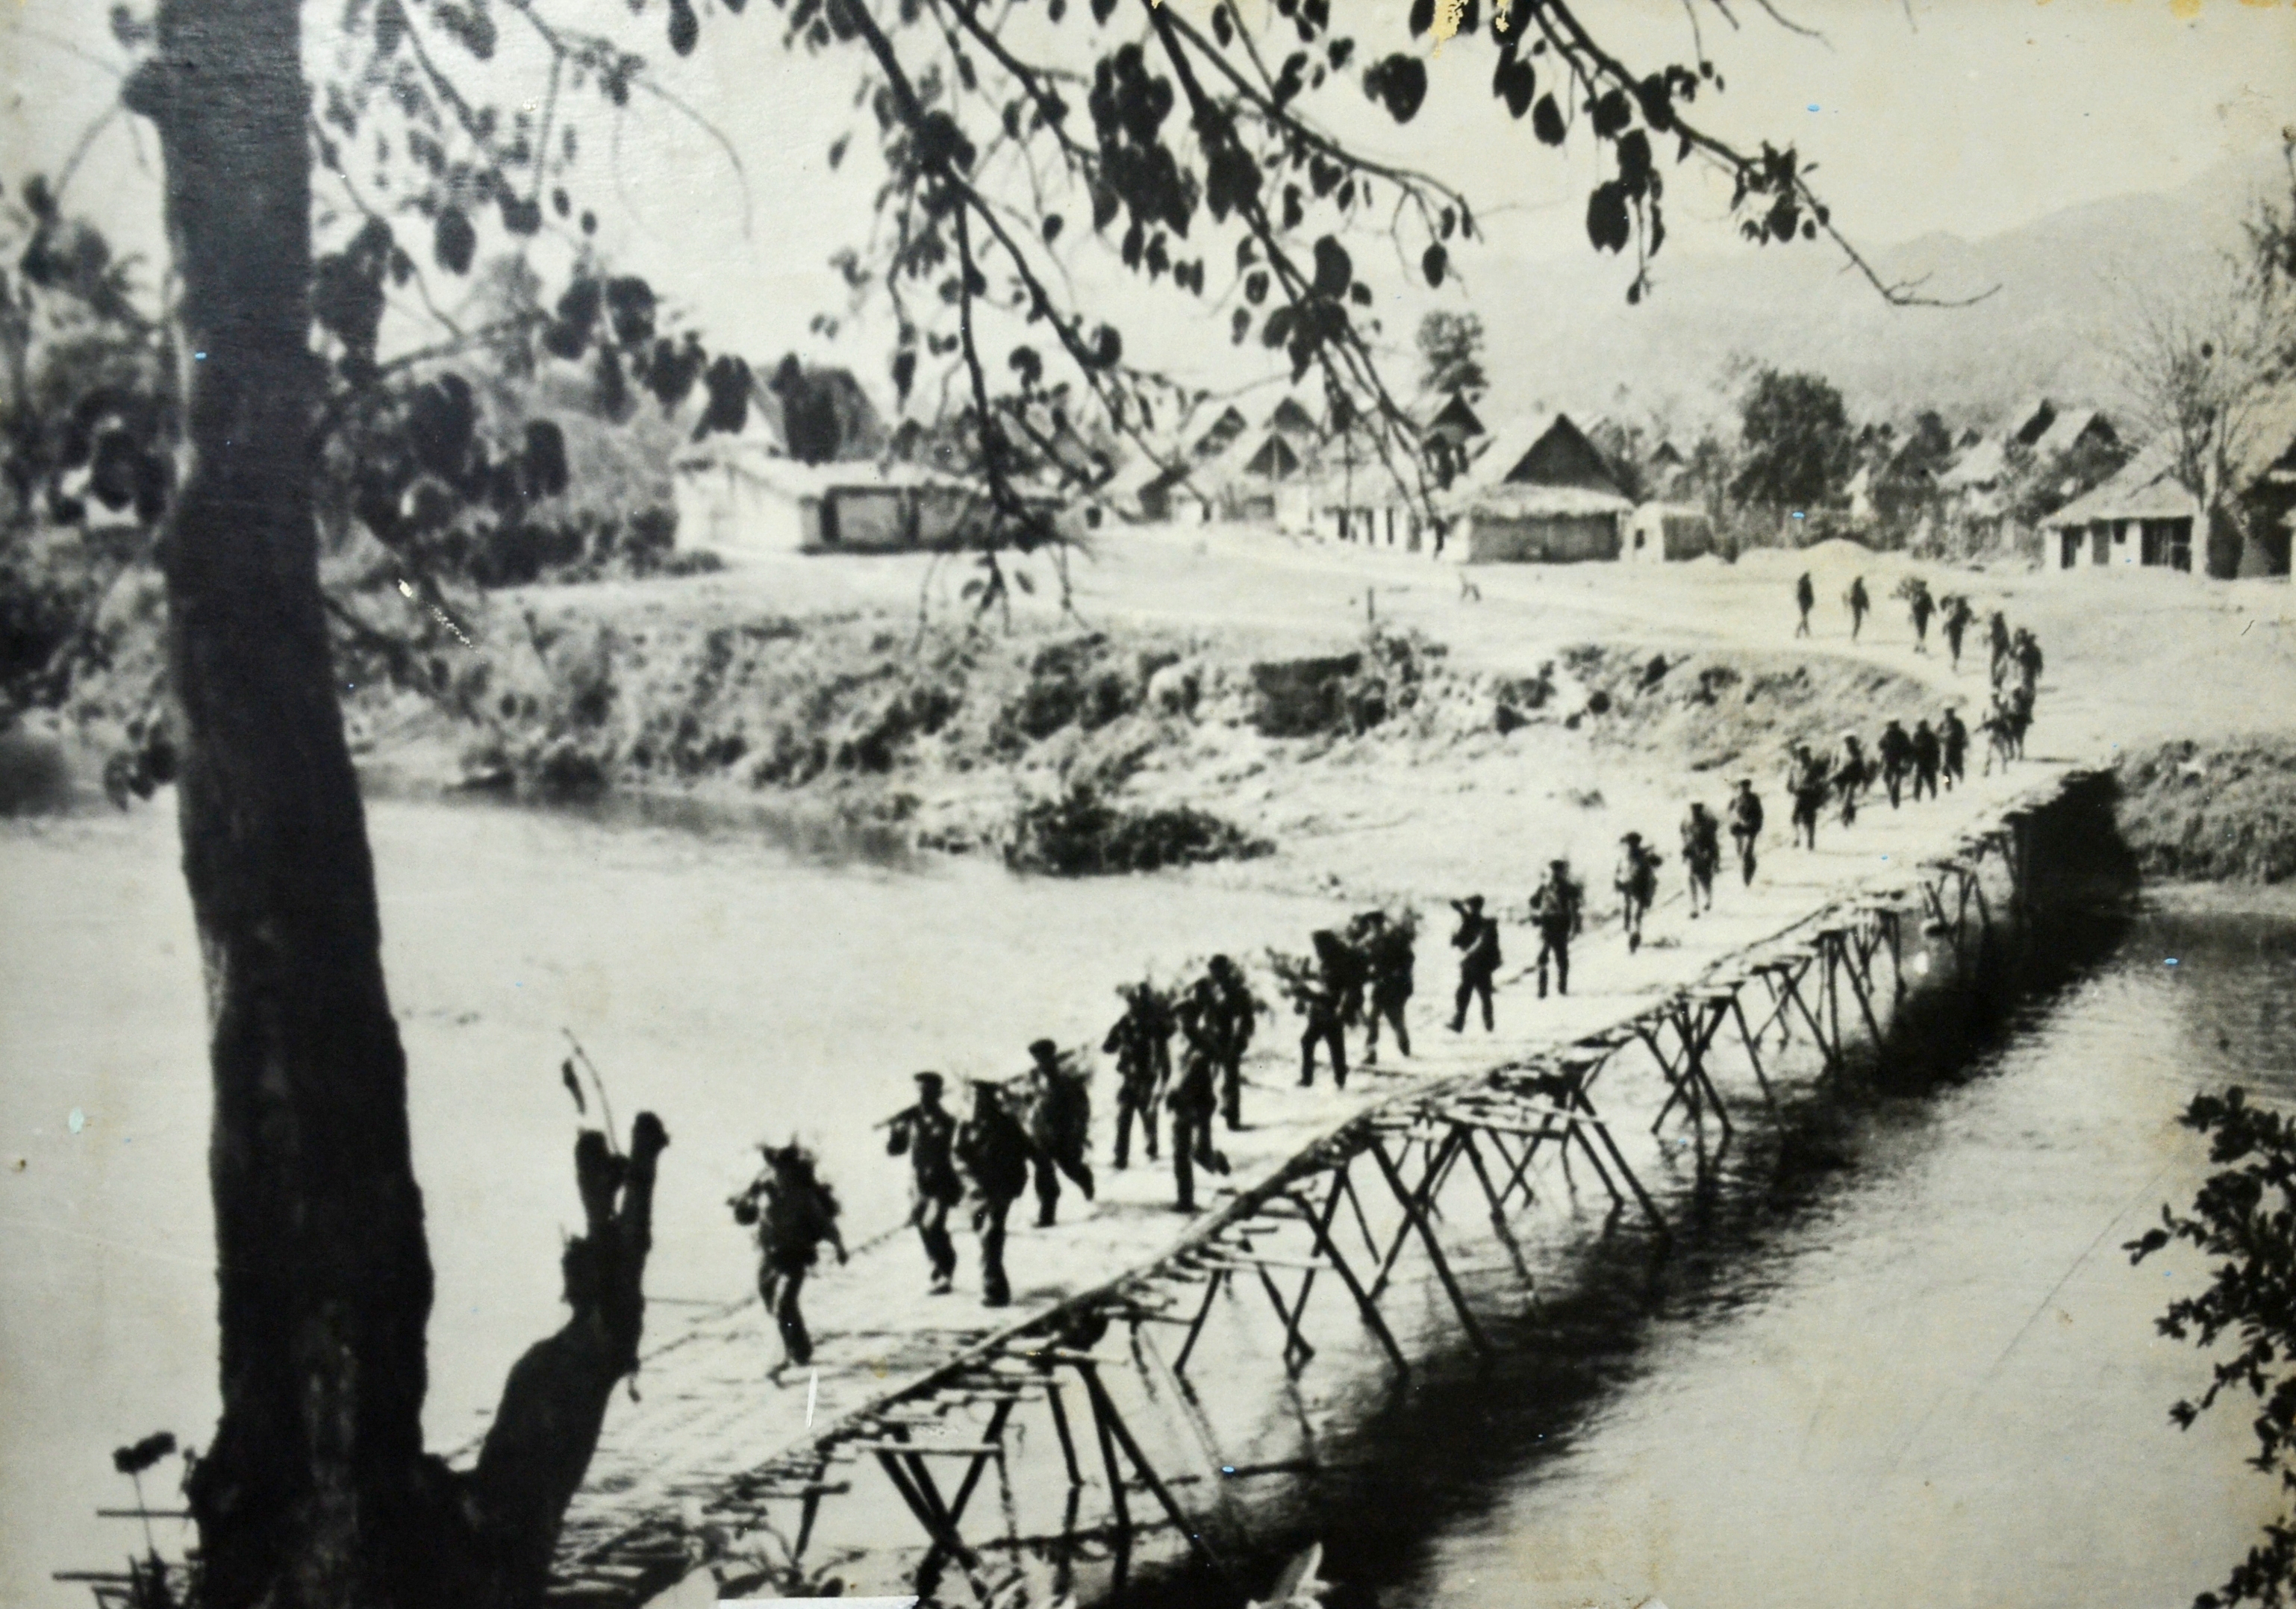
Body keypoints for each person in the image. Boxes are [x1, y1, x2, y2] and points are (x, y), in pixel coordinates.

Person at [731, 1142, 846, 1372]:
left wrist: (839, 1246)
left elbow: (824, 1224)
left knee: (784, 1304)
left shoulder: (803, 1197)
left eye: (784, 1171)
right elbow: (745, 1215)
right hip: (768, 1258)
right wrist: (742, 1205)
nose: (779, 1175)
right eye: (777, 1170)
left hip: (794, 1256)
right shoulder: (763, 1187)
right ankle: (799, 1347)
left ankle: (789, 1353)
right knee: (772, 1303)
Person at [955, 1079, 1036, 1307]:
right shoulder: (966, 1127)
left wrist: (1039, 1169)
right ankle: (994, 1282)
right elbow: (957, 1156)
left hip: (1002, 1189)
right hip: (976, 1193)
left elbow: (1029, 1149)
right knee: (984, 1233)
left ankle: (994, 1289)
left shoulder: (1007, 1124)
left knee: (991, 1233)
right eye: (974, 1100)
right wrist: (969, 1180)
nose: (977, 1105)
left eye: (981, 1100)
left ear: (990, 1102)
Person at [885, 1072, 963, 1295]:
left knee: (933, 1226)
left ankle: (945, 1271)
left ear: (938, 1093)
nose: (923, 1096)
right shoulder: (912, 1119)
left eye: (928, 1091)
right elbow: (895, 1151)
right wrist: (895, 1132)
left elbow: (944, 1146)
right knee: (923, 1227)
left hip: (942, 1180)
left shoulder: (946, 1121)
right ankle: (938, 1270)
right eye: (920, 1091)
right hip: (918, 1184)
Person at [1022, 1039, 1095, 1228]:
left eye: (1044, 1059)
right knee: (1044, 1174)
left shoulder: (1066, 1082)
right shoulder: (1035, 1079)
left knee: (1071, 1168)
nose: (1041, 1063)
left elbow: (1082, 1110)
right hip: (1041, 1136)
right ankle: (1047, 1216)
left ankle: (1085, 1179)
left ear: (1052, 1058)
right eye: (1038, 1059)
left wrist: (1079, 1133)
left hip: (1064, 1136)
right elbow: (1032, 1100)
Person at [1164, 1016, 1229, 1213]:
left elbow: (1218, 1064)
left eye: (1188, 1017)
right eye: (1180, 1017)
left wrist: (1217, 1087)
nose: (1184, 1022)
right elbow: (1168, 1069)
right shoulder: (1174, 1041)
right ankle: (1185, 1200)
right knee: (1181, 1152)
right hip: (1180, 1103)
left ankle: (1215, 1159)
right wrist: (1164, 1092)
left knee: (1198, 1154)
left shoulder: (1205, 1042)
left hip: (1200, 1104)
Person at [1102, 984, 1168, 1169]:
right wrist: (1115, 1042)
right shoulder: (1124, 1023)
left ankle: (1151, 1147)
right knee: (1124, 1116)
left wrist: (1158, 1074)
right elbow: (1109, 1047)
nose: (1132, 1005)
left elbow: (1160, 1052)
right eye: (1129, 1002)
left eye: (1135, 1002)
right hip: (1128, 1078)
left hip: (1146, 1077)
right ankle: (1121, 1157)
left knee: (1147, 1114)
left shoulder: (1153, 1025)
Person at [1356, 910, 1417, 1068]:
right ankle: (1375, 1052)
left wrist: (1396, 972)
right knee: (1378, 1018)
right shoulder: (1374, 940)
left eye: (1373, 924)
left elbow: (1407, 959)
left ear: (1377, 924)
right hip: (1385, 985)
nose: (1372, 927)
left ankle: (1401, 1045)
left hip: (1393, 985)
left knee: (1391, 1018)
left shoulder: (1391, 939)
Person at [1529, 859, 1584, 998]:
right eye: (1552, 871)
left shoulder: (1564, 887)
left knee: (1558, 956)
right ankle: (1546, 989)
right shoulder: (1547, 887)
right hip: (1550, 924)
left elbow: (1575, 908)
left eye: (1555, 871)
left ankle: (1558, 987)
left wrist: (1575, 927)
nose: (1554, 874)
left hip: (1559, 924)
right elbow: (1533, 902)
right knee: (1547, 957)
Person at [1448, 895, 1503, 1032]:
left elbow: (1458, 939)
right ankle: (1489, 1024)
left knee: (1464, 994)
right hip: (1483, 965)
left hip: (1471, 964)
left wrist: (1459, 909)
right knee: (1484, 995)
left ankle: (1459, 1023)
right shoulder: (1487, 923)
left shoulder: (1472, 921)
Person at [1615, 831, 1662, 953]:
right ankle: (1634, 934)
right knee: (1630, 915)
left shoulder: (1641, 857)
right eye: (1628, 843)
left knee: (1635, 914)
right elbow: (1618, 873)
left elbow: (1656, 865)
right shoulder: (1625, 857)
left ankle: (1634, 935)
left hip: (1638, 889)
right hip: (1629, 889)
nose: (1629, 846)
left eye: (1631, 843)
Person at [1680, 802, 1721, 917]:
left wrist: (1716, 860)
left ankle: (1708, 899)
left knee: (1705, 880)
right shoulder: (1686, 823)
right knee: (1690, 878)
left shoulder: (1707, 824)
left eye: (1696, 811)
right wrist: (1684, 852)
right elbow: (1684, 838)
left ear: (1700, 811)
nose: (1694, 814)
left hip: (1705, 855)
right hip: (1692, 855)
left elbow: (1713, 843)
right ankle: (1694, 907)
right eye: (1693, 811)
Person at [1787, 743, 1829, 851]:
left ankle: (1810, 840)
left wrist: (1820, 792)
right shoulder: (1794, 765)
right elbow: (1790, 779)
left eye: (1804, 752)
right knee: (1794, 817)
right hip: (1798, 794)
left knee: (1809, 819)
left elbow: (1822, 779)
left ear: (1808, 752)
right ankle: (1796, 837)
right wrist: (1790, 787)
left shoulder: (1814, 764)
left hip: (1810, 795)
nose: (1802, 755)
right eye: (1800, 752)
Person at [1727, 778, 1765, 886]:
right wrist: (1735, 822)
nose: (1743, 789)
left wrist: (1754, 825)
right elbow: (1730, 813)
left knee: (1746, 853)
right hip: (1739, 829)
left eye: (1746, 787)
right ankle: (1751, 866)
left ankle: (1747, 877)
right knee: (1740, 853)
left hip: (1750, 829)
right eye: (1741, 787)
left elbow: (1759, 815)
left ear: (1749, 787)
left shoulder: (1754, 799)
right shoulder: (1735, 799)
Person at [1833, 733, 1871, 828]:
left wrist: (1864, 778)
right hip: (1841, 777)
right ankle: (1851, 811)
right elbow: (1834, 763)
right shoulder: (1839, 751)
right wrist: (1834, 772)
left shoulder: (1857, 751)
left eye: (1851, 741)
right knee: (1844, 798)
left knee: (1848, 797)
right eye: (1847, 741)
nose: (1849, 743)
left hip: (1853, 778)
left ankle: (1844, 816)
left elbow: (1861, 765)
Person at [1877, 718, 1915, 810]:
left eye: (1893, 725)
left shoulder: (1900, 735)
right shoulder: (1887, 735)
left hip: (1897, 760)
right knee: (1889, 777)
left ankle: (1894, 794)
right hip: (1890, 760)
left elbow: (1908, 748)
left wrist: (1907, 760)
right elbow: (1880, 746)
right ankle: (1893, 794)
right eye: (1891, 725)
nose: (1892, 727)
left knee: (1895, 778)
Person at [1910, 718, 1941, 803]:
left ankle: (1933, 793)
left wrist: (1937, 761)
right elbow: (1913, 749)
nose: (1921, 728)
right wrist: (1912, 760)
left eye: (1922, 726)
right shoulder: (1917, 736)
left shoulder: (1930, 736)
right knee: (1918, 779)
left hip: (1929, 761)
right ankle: (1917, 796)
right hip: (1920, 761)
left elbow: (1936, 750)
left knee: (1931, 779)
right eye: (1920, 726)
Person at [1941, 593, 1974, 671]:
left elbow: (1949, 620)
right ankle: (1955, 661)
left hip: (1953, 628)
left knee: (1954, 644)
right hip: (1958, 629)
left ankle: (1954, 662)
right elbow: (1972, 620)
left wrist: (1944, 628)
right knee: (1957, 644)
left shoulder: (1956, 610)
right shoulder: (1967, 610)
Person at [1939, 706, 1969, 790]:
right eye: (1947, 713)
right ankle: (1947, 785)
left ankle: (1961, 777)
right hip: (1948, 748)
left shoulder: (1958, 723)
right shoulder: (1943, 723)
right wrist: (1942, 738)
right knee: (1945, 768)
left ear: (1952, 713)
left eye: (1949, 713)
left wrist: (1963, 742)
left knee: (1957, 767)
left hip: (1957, 748)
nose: (1948, 715)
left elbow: (1963, 734)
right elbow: (1937, 733)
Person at [1906, 578, 1935, 653]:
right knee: (1919, 630)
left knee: (1922, 631)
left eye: (1923, 586)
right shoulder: (1916, 594)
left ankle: (1919, 646)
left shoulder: (1926, 595)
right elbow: (1912, 605)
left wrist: (1933, 611)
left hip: (1924, 615)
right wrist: (1911, 614)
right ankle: (1920, 646)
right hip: (1917, 614)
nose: (1922, 588)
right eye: (1921, 586)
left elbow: (1930, 603)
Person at [2015, 628, 2044, 697]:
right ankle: (2028, 696)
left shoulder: (2025, 649)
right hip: (2028, 669)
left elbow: (2018, 659)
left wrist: (2039, 670)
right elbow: (2039, 662)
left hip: (2027, 669)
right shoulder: (2034, 649)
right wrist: (2039, 670)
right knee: (2028, 683)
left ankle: (2027, 696)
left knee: (2027, 682)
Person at [1987, 610, 2012, 688]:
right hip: (2000, 648)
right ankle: (1996, 681)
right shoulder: (1999, 626)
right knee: (1999, 665)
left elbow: (2002, 638)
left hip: (2000, 648)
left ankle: (1997, 681)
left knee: (1997, 665)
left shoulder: (1999, 626)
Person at [1845, 575, 1871, 641]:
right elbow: (1864, 599)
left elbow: (1863, 599)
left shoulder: (1856, 589)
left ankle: (1854, 637)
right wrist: (1866, 606)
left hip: (1857, 607)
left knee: (1858, 623)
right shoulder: (1858, 590)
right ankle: (1854, 637)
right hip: (1857, 608)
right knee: (1858, 623)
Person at [1794, 572, 1815, 638]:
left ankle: (1805, 632)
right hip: (1806, 603)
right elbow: (1810, 594)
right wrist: (1811, 602)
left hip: (1802, 603)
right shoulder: (1807, 584)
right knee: (1804, 618)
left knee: (1805, 618)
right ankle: (1800, 631)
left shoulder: (1801, 584)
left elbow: (1799, 595)